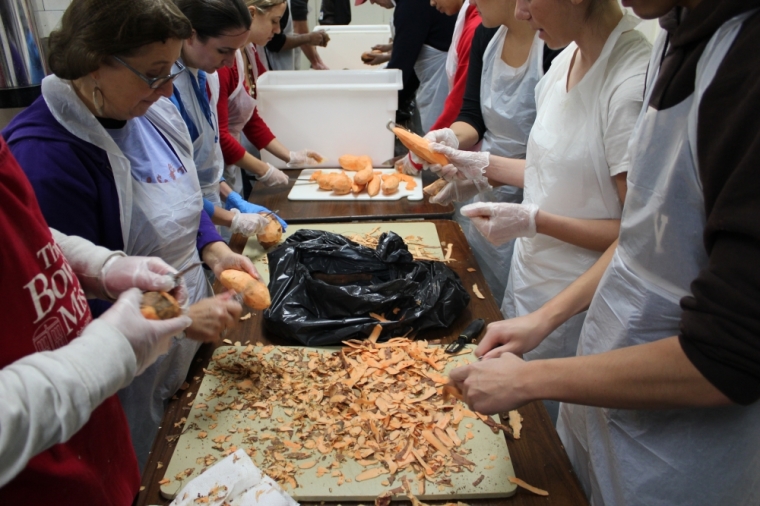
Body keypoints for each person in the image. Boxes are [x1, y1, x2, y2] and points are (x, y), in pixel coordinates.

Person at [450, 0, 760, 504]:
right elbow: (643, 237)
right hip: (606, 373)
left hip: (678, 453)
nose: (521, 10)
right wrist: (543, 320)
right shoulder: (674, 37)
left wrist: (533, 378)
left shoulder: (739, 64)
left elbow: (727, 356)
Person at [3, 0, 253, 469]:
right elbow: (76, 305)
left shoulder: (149, 110)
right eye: (153, 74)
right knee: (153, 466)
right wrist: (175, 315)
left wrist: (213, 248)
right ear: (95, 62)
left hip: (186, 328)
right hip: (121, 368)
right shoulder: (46, 158)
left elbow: (180, 193)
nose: (164, 91)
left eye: (169, 73)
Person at [428, 0, 651, 421]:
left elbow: (637, 234)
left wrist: (537, 221)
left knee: (553, 444)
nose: (522, 13)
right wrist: (481, 165)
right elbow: (555, 169)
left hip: (580, 306)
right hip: (531, 287)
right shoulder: (566, 57)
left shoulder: (630, 81)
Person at [0, 136, 191, 504]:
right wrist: (110, 351)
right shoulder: (42, 149)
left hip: (97, 459)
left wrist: (99, 267)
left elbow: (23, 231)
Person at [401, 0, 555, 303]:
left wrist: (487, 172)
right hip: (484, 183)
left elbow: (553, 156)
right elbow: (473, 115)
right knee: (479, 288)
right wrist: (451, 139)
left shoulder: (553, 46)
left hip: (535, 194)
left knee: (520, 291)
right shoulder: (487, 35)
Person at [172, 0, 287, 237]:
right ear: (191, 36)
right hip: (182, 221)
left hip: (210, 204)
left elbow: (206, 159)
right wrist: (231, 217)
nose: (229, 61)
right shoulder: (168, 90)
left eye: (236, 51)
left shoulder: (207, 75)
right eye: (223, 51)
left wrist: (230, 196)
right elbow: (178, 183)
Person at [217, 0, 325, 197]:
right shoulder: (225, 64)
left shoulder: (249, 52)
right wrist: (263, 169)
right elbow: (219, 135)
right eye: (274, 21)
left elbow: (249, 116)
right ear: (251, 14)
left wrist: (289, 156)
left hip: (231, 163)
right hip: (217, 166)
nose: (277, 30)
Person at [365, 0, 456, 131]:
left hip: (439, 85)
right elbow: (415, 42)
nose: (372, 2)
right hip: (431, 82)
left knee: (437, 139)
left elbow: (401, 69)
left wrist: (378, 109)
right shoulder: (409, 6)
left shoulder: (411, 5)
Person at [428, 0, 480, 132]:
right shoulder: (468, 18)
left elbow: (460, 101)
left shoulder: (475, 28)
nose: (432, 3)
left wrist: (428, 143)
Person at [264, 0, 330, 70]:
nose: (277, 30)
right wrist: (316, 62)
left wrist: (317, 61)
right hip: (277, 64)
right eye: (274, 21)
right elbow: (276, 42)